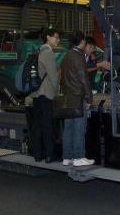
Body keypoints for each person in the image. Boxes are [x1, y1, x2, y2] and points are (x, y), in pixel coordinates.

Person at [60, 31, 95, 167]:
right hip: (78, 97)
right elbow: (83, 79)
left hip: (67, 97)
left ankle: (67, 157)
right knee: (79, 128)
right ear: (82, 42)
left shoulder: (66, 56)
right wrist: (89, 98)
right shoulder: (78, 57)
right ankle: (79, 156)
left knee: (68, 128)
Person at [30, 28, 60, 163]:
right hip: (46, 93)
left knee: (37, 125)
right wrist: (56, 93)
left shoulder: (38, 51)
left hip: (36, 94)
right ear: (48, 37)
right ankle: (49, 155)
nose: (58, 40)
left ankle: (38, 154)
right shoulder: (48, 52)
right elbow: (53, 76)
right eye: (56, 37)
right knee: (48, 125)